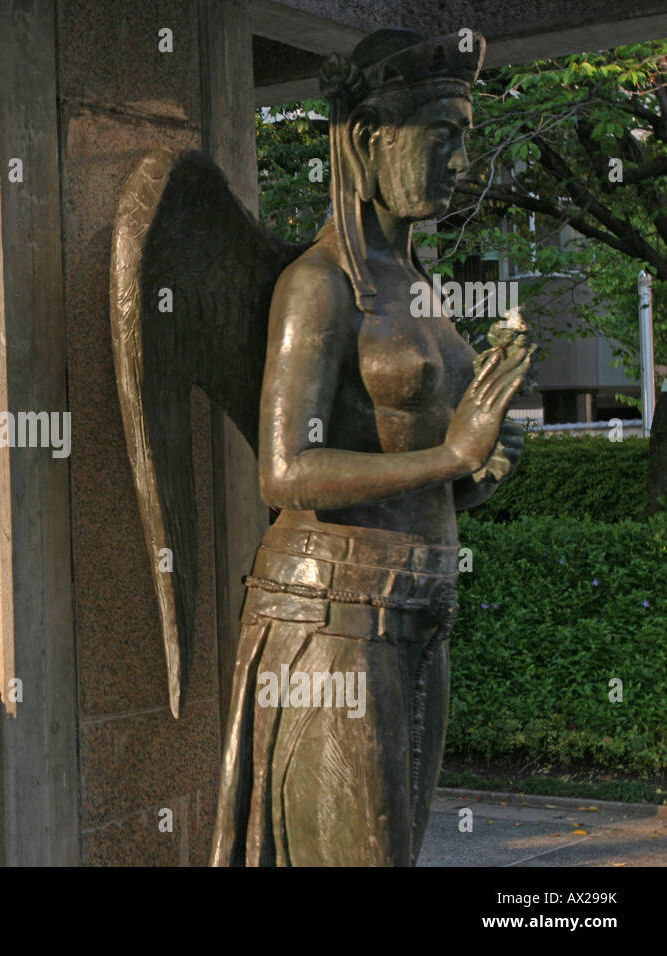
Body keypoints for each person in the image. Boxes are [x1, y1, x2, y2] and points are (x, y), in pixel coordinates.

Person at [210, 28, 531, 866]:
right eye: (443, 137)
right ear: (365, 139)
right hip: (333, 619)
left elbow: (416, 460)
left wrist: (478, 473)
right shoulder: (316, 286)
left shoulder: (418, 285)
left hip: (420, 614)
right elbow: (284, 471)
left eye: (466, 137)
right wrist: (451, 457)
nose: (462, 160)